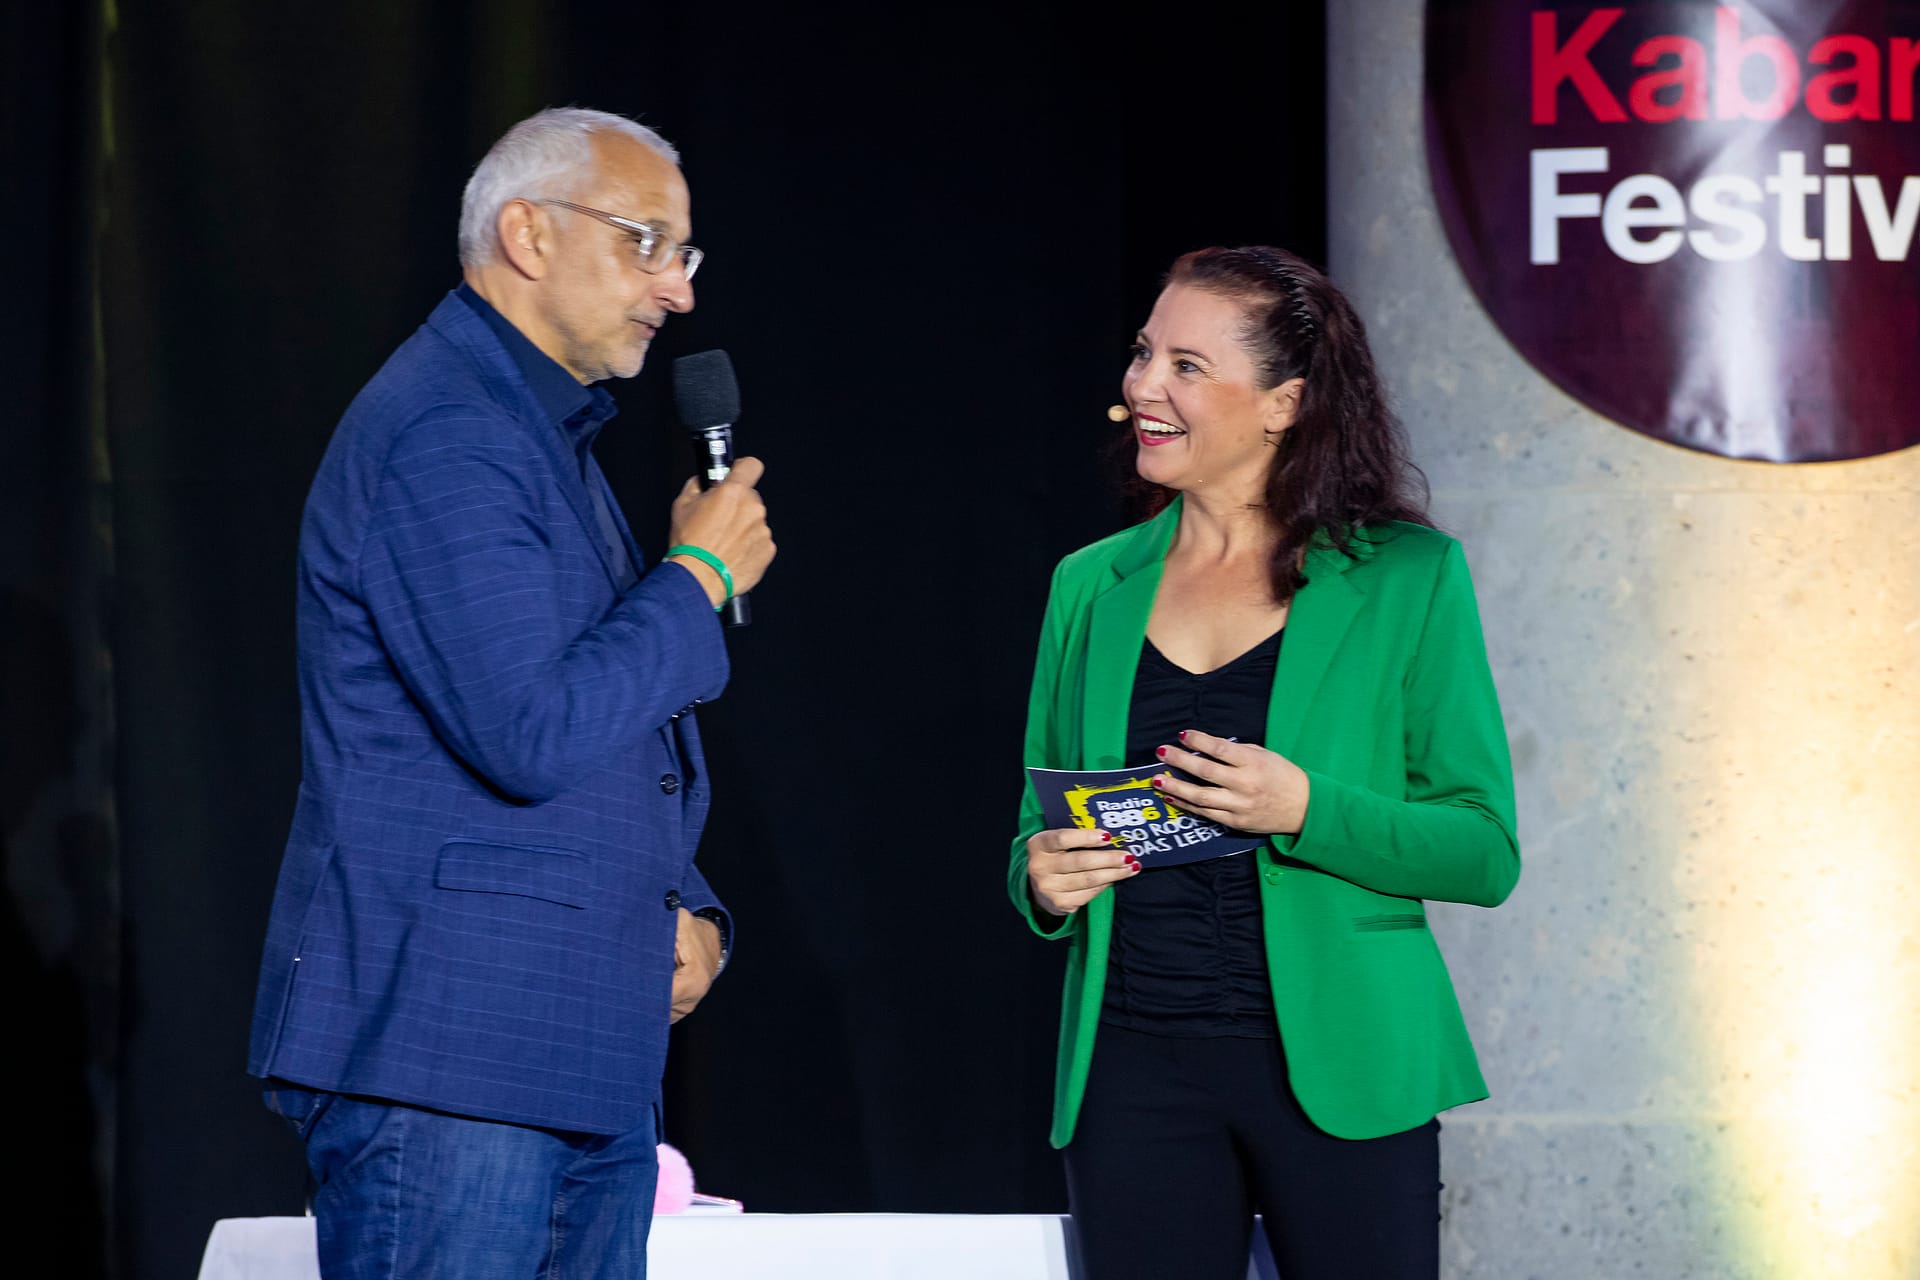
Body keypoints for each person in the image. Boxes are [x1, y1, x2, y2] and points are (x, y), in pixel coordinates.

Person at [246, 107, 774, 1280]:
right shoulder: (447, 429)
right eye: (645, 242)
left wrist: (684, 903)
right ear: (527, 234)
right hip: (452, 1053)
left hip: (568, 1047)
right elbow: (529, 728)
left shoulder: (536, 432)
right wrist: (696, 575)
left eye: (684, 252)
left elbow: (591, 724)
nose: (677, 289)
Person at [1009, 246, 1518, 1279]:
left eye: (1188, 366)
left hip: (1344, 1064)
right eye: (1145, 353)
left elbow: (1483, 849)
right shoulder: (1088, 584)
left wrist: (1304, 807)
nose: (1144, 386)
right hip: (1132, 1070)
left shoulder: (1408, 576)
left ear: (1285, 402)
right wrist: (1041, 878)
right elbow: (1036, 826)